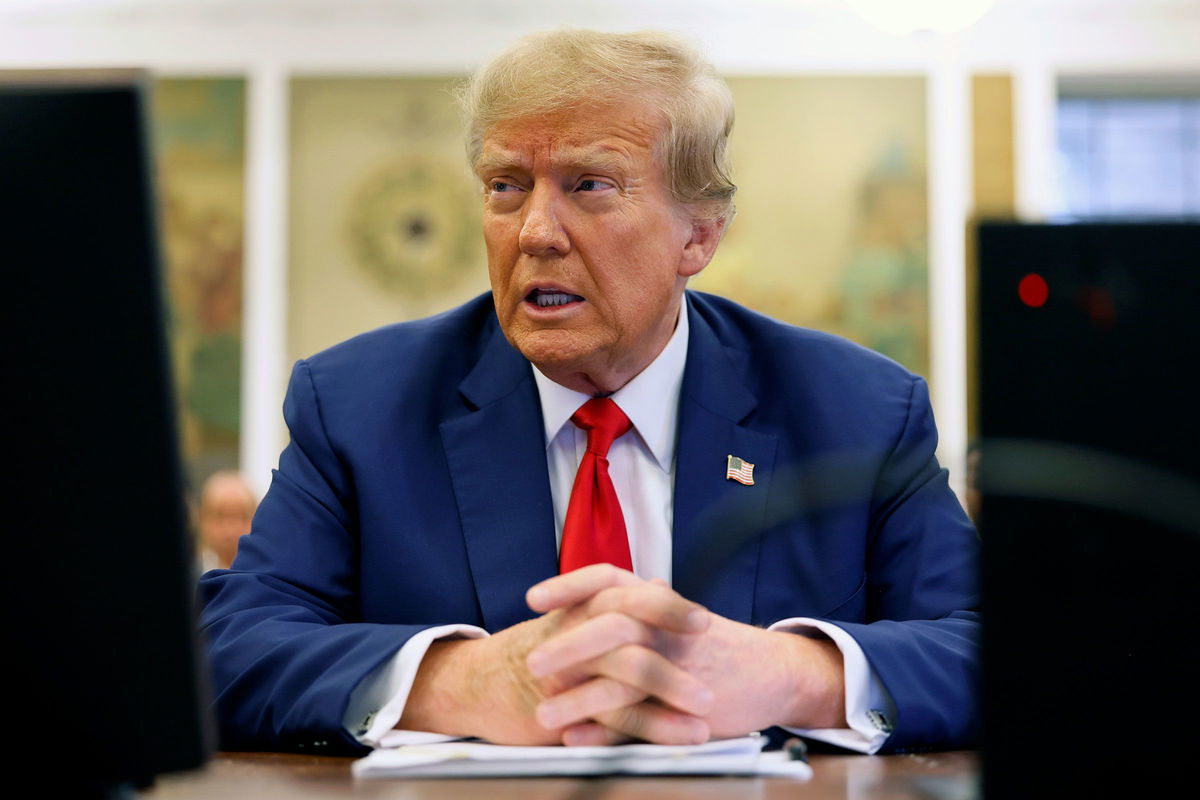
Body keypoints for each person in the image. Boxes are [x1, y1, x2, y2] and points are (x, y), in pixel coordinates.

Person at [199, 29, 978, 756]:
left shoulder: (857, 413)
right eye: (505, 186)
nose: (535, 231)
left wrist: (792, 673)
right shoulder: (360, 407)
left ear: (698, 235)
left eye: (589, 185)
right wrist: (459, 683)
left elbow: (992, 646)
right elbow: (227, 646)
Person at [196, 470, 256, 571]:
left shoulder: (269, 579)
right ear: (203, 520)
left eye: (242, 517)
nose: (231, 531)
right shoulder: (188, 575)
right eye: (220, 516)